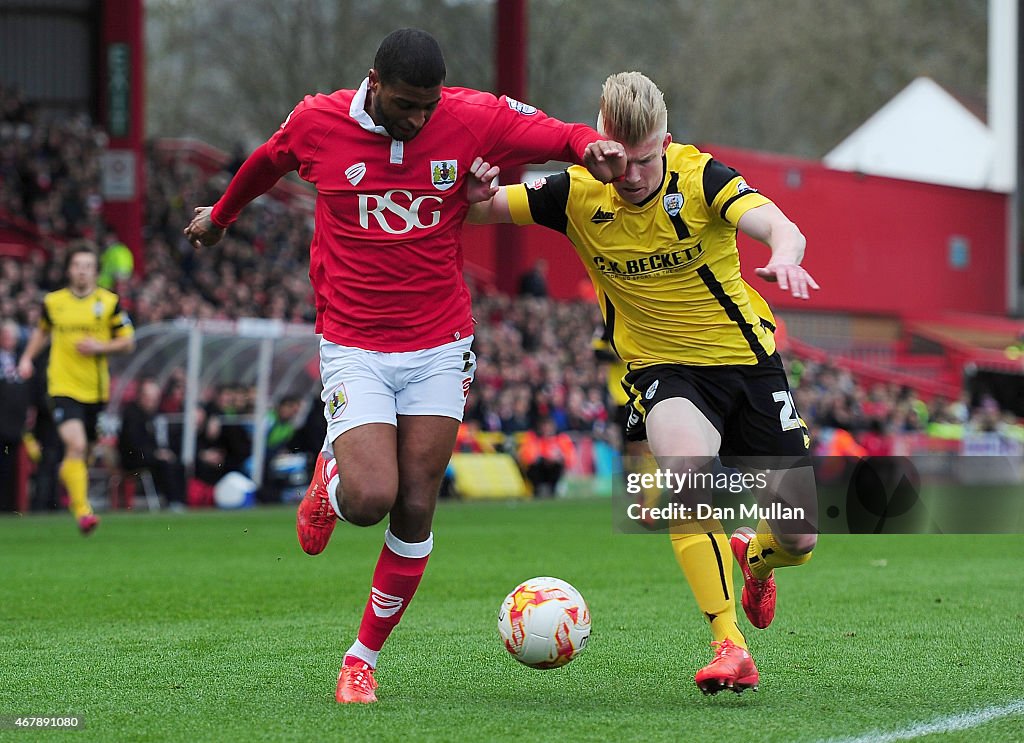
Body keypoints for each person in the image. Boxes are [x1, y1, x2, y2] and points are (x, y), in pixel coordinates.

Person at [183, 28, 624, 704]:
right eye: (405, 104)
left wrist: (589, 147)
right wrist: (220, 216)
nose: (418, 118)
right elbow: (267, 162)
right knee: (369, 500)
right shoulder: (318, 121)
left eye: (428, 106)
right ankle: (332, 476)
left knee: (416, 504)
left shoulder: (468, 117)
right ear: (374, 82)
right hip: (354, 344)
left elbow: (552, 133)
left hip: (439, 344)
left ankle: (361, 658)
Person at [467, 71, 820, 695]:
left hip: (747, 363)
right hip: (661, 370)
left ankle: (755, 557)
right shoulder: (574, 191)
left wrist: (786, 253)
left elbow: (773, 222)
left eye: (644, 159)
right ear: (598, 143)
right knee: (686, 478)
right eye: (616, 160)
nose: (629, 175)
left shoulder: (698, 175)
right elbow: (484, 208)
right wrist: (471, 186)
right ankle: (728, 644)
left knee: (798, 537)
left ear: (667, 142)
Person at [17, 242, 136, 534]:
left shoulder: (109, 303)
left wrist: (101, 346)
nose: (82, 271)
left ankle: (70, 478)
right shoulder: (53, 302)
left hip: (95, 389)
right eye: (77, 266)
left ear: (95, 272)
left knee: (84, 454)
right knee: (77, 444)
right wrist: (26, 359)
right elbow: (43, 332)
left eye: (87, 266)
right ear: (69, 270)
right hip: (62, 384)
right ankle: (83, 512)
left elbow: (128, 341)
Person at [118, 378, 186, 509]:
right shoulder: (132, 414)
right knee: (165, 465)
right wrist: (156, 454)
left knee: (178, 464)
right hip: (134, 458)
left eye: (155, 399)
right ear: (140, 396)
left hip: (150, 455)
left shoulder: (154, 414)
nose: (153, 402)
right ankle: (173, 502)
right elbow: (133, 444)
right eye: (150, 398)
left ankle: (180, 500)